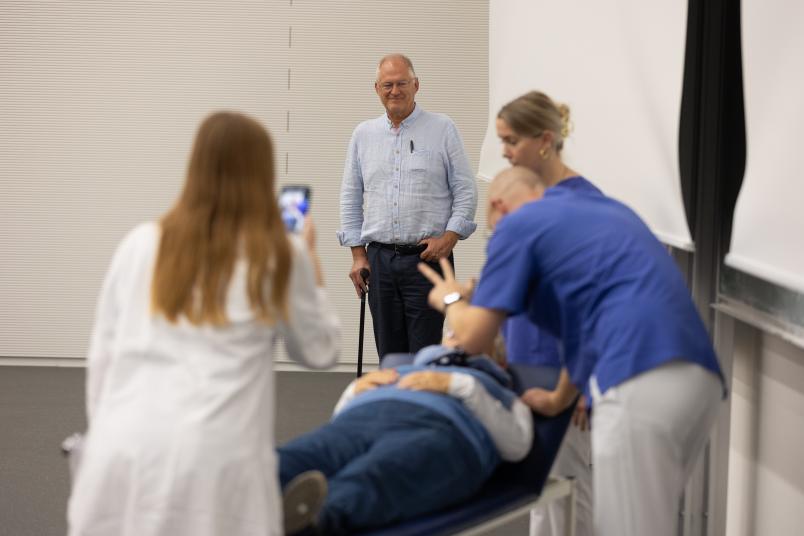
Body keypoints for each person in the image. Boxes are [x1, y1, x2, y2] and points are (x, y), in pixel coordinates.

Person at [67, 111, 341, 536]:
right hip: (217, 461)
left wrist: (104, 429)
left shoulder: (140, 242)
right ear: (261, 173)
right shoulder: (279, 254)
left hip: (122, 449)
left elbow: (102, 357)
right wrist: (313, 265)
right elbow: (321, 350)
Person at [419, 165, 726, 536]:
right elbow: (580, 329)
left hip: (633, 377)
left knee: (602, 513)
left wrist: (449, 299)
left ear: (500, 204)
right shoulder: (601, 218)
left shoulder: (524, 226)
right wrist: (562, 395)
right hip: (696, 377)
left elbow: (472, 338)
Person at [277, 343, 533, 535]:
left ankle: (309, 523)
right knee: (292, 458)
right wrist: (355, 389)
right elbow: (337, 419)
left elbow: (517, 445)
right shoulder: (402, 369)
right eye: (451, 334)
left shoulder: (496, 387)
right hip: (362, 418)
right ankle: (253, 497)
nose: (455, 337)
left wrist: (457, 385)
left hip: (441, 430)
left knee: (372, 476)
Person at [496, 91, 595, 536]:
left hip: (564, 372)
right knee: (544, 491)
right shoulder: (530, 196)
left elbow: (594, 303)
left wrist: (585, 385)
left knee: (571, 495)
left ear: (544, 141)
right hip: (528, 362)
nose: (504, 152)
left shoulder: (581, 204)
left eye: (511, 140)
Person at [338, 53, 478, 358]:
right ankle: (394, 405)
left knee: (426, 354)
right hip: (379, 262)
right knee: (389, 356)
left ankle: (423, 404)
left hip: (428, 260)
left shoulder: (442, 129)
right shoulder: (363, 135)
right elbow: (350, 196)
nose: (394, 91)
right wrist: (358, 255)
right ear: (376, 88)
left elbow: (466, 190)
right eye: (387, 85)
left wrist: (450, 237)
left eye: (402, 83)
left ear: (416, 85)